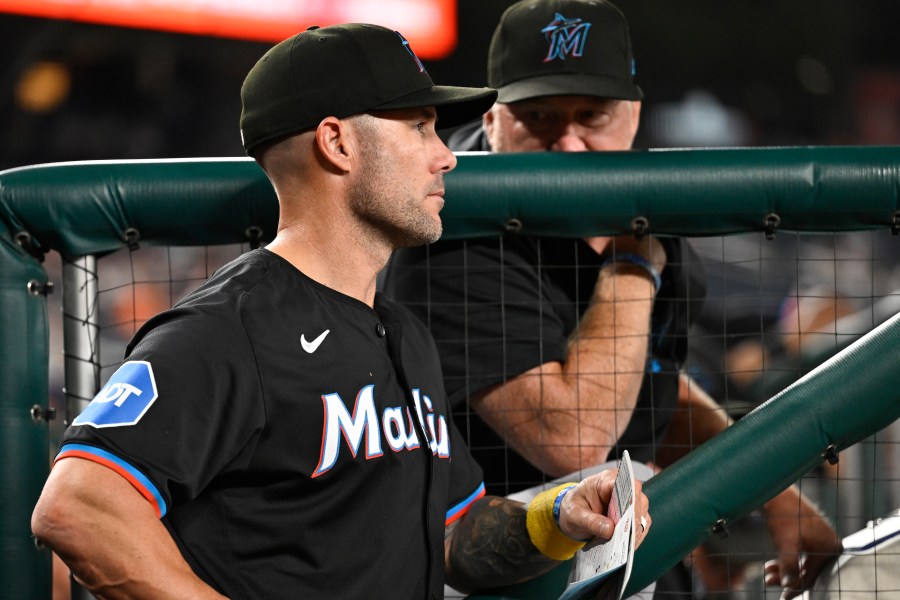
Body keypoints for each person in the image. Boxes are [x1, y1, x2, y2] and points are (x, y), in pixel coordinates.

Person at [30, 23, 652, 599]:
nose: (446, 155)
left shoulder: (404, 332)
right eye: (420, 127)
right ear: (338, 142)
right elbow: (78, 507)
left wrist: (563, 513)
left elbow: (456, 538)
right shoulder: (229, 327)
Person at [383, 1, 840, 598]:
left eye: (591, 116)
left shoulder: (643, 201)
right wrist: (633, 261)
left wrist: (774, 492)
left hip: (616, 548)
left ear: (631, 115)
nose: (569, 145)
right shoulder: (452, 228)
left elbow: (654, 383)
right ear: (493, 120)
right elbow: (571, 438)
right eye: (539, 117)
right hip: (481, 568)